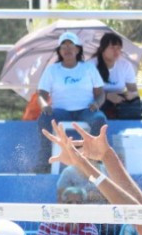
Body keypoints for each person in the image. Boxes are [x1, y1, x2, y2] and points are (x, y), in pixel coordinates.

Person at [34, 32, 106, 172]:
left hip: (86, 110)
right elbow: (41, 95)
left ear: (78, 49)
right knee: (44, 118)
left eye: (71, 46)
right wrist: (44, 105)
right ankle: (45, 162)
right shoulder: (52, 70)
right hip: (60, 111)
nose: (67, 49)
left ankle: (95, 160)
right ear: (59, 51)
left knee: (99, 119)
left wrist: (97, 104)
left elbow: (100, 93)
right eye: (63, 46)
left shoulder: (89, 68)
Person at [94, 32, 142, 120]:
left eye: (118, 48)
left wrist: (131, 95)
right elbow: (84, 93)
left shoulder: (125, 65)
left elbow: (134, 91)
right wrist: (106, 96)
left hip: (119, 104)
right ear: (102, 49)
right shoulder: (91, 65)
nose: (116, 51)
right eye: (112, 47)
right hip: (96, 104)